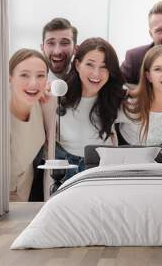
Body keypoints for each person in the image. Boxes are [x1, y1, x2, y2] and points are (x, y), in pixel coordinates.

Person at [45, 38, 126, 179]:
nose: (96, 73)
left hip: (101, 166)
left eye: (104, 67)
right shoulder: (58, 94)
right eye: (90, 64)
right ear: (77, 65)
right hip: (65, 165)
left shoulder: (117, 98)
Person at [9, 48, 48, 201]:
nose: (33, 83)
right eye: (24, 75)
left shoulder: (41, 104)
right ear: (10, 77)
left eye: (40, 76)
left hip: (24, 193)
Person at [41, 17, 78, 81]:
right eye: (51, 43)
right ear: (42, 48)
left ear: (75, 48)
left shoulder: (85, 79)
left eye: (64, 43)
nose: (57, 52)